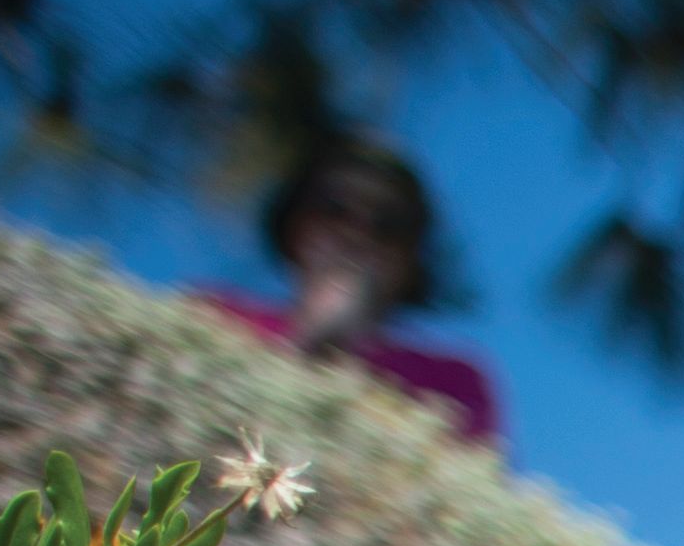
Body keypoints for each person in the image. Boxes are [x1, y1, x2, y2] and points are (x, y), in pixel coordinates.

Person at [200, 137, 504, 451]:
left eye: (387, 225)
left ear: (410, 260)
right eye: (334, 209)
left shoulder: (453, 384)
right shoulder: (213, 319)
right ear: (295, 224)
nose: (356, 232)